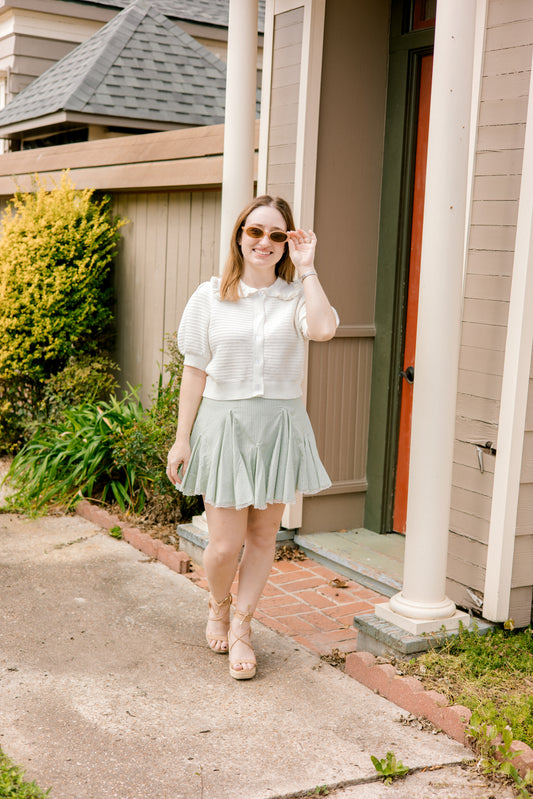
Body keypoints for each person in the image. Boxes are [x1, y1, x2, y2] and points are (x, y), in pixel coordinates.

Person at [166, 195, 338, 680]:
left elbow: (323, 330)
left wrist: (307, 269)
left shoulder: (295, 297)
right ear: (240, 235)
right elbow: (194, 371)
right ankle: (218, 605)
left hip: (280, 424)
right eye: (255, 232)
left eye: (277, 235)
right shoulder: (210, 297)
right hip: (225, 425)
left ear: (288, 243)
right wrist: (183, 439)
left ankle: (242, 625)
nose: (264, 242)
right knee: (223, 545)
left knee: (264, 538)